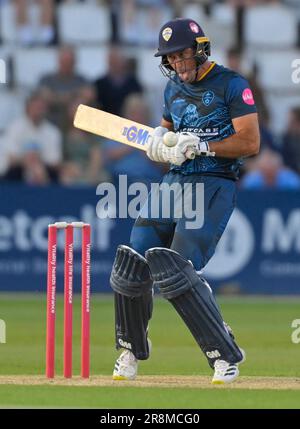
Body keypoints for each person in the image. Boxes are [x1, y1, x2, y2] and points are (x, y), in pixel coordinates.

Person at [110, 18, 260, 384]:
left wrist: (204, 145)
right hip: (174, 183)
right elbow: (166, 146)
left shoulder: (231, 84)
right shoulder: (172, 89)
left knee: (177, 268)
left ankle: (225, 355)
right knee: (133, 259)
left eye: (182, 55)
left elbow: (251, 142)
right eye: (171, 58)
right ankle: (130, 349)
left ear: (199, 48)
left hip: (214, 183)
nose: (177, 64)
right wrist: (160, 145)